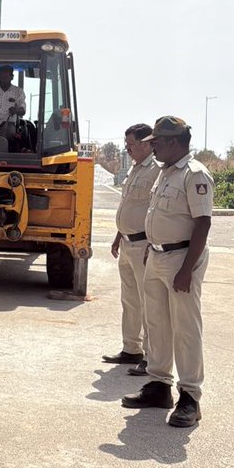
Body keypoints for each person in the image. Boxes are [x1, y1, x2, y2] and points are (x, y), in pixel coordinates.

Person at [120, 116, 213, 428]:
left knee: (185, 328)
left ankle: (190, 396)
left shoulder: (194, 174)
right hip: (158, 256)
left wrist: (187, 269)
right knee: (156, 323)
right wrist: (152, 245)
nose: (153, 146)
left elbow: (203, 223)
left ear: (174, 142)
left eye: (157, 141)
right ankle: (159, 386)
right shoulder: (165, 173)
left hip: (182, 258)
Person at [103, 123, 157, 376]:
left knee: (148, 304)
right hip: (126, 243)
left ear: (147, 143)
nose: (128, 148)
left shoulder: (156, 170)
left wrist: (152, 244)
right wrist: (118, 235)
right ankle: (131, 349)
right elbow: (128, 206)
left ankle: (152, 357)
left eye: (132, 144)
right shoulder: (136, 169)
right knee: (130, 301)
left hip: (143, 245)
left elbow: (154, 212)